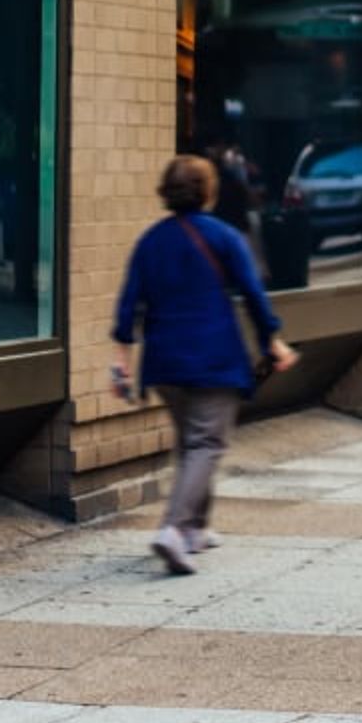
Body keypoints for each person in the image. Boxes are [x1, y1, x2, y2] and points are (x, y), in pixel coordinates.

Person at [111, 154, 298, 576]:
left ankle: (196, 527)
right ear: (209, 192)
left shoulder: (150, 241)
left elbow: (127, 307)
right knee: (206, 444)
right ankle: (174, 530)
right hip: (212, 357)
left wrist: (121, 362)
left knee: (193, 441)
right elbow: (253, 293)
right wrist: (272, 340)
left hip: (163, 363)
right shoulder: (224, 237)